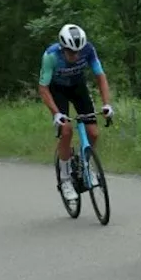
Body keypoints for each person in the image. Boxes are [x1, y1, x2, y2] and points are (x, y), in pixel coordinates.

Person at [38, 23, 114, 200]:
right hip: (57, 90)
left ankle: (84, 165)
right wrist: (56, 113)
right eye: (72, 52)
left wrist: (107, 104)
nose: (76, 55)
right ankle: (65, 179)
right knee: (66, 131)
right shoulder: (51, 56)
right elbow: (43, 88)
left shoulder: (88, 49)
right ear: (63, 48)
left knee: (93, 133)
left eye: (78, 51)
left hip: (78, 87)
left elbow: (100, 76)